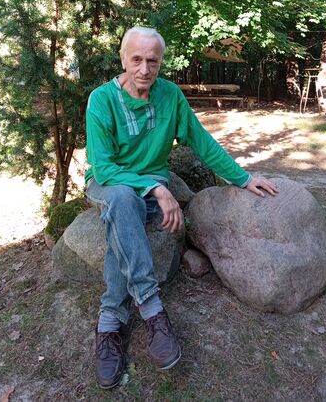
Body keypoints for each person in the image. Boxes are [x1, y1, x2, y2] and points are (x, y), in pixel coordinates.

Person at [85, 26, 278, 389]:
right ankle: (152, 309)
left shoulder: (170, 96)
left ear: (161, 63)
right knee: (123, 200)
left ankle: (110, 322)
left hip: (145, 189)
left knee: (122, 225)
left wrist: (241, 177)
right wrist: (157, 188)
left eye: (153, 61)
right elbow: (104, 167)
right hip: (110, 183)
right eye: (136, 59)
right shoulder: (102, 100)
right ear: (123, 59)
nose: (144, 69)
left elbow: (201, 141)